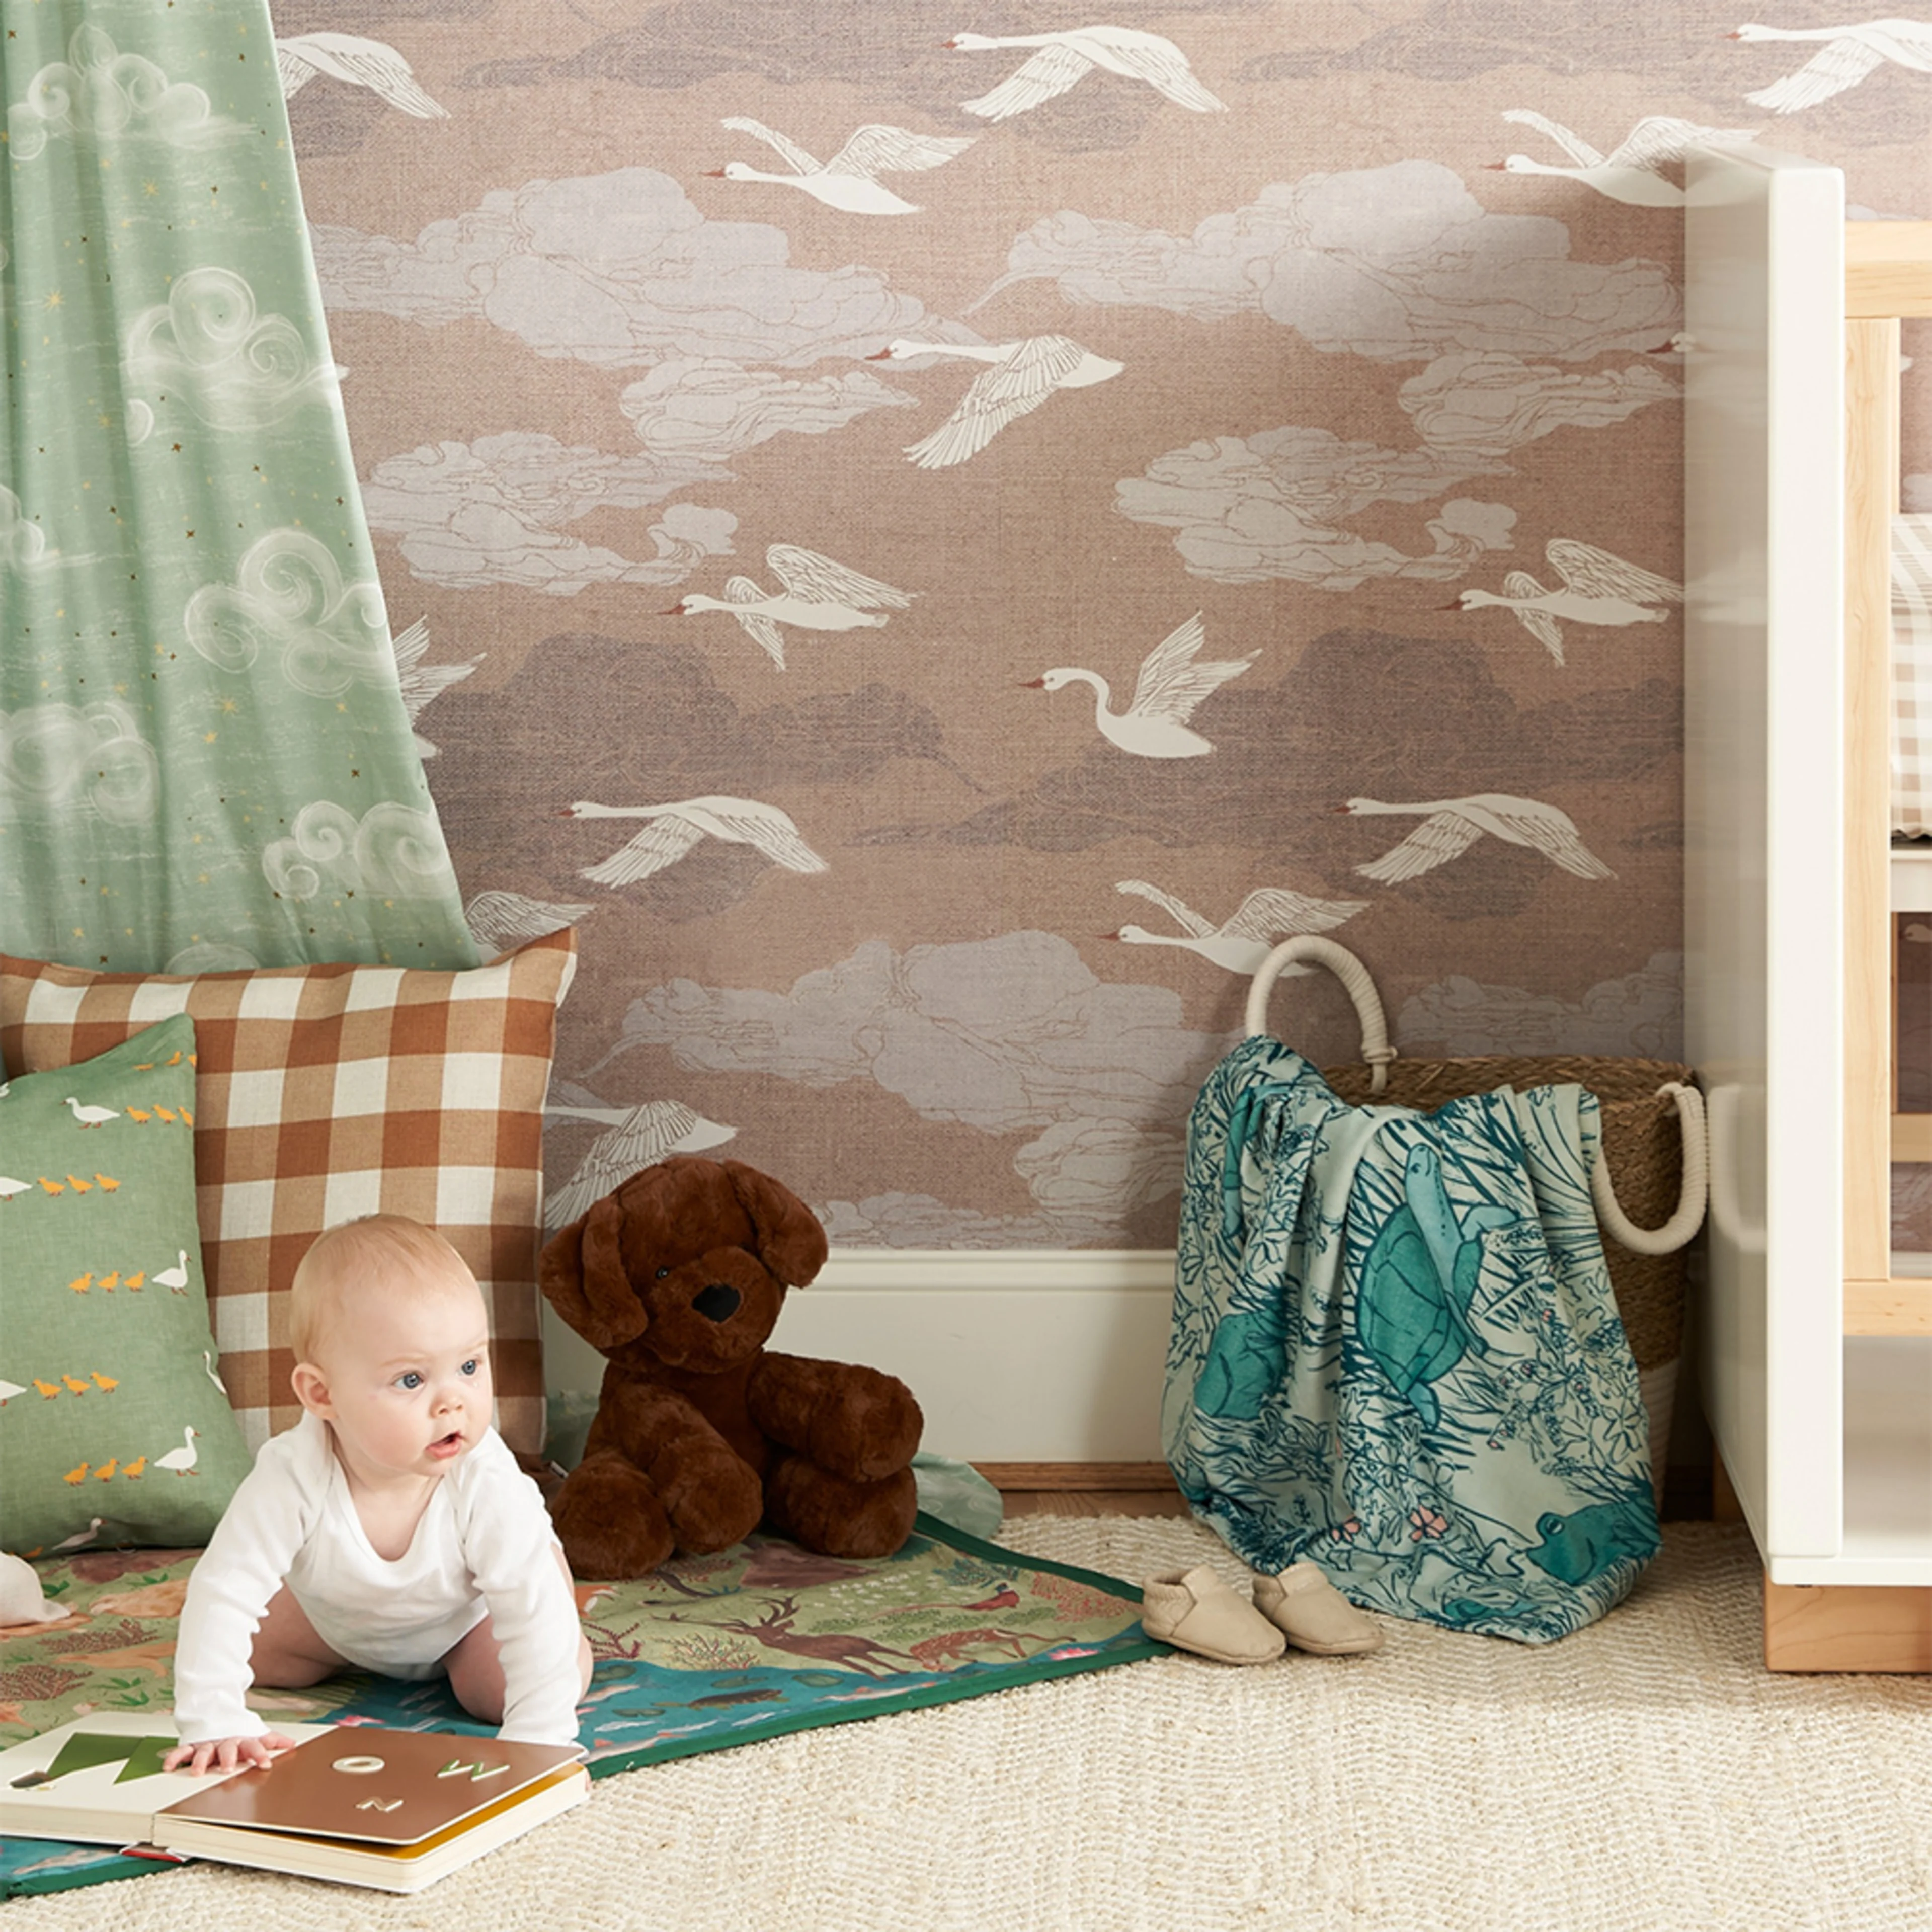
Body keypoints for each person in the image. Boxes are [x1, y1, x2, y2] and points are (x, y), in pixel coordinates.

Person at [163, 1215, 592, 1773]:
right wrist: (212, 1717)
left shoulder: (485, 1478)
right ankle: (344, 1655)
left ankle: (558, 1629)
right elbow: (226, 1587)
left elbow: (529, 1606)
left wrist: (540, 1736)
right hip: (337, 1623)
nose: (452, 1402)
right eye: (411, 1380)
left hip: (465, 1623)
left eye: (469, 1366)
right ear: (323, 1394)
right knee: (239, 1645)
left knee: (517, 1683)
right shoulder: (292, 1474)